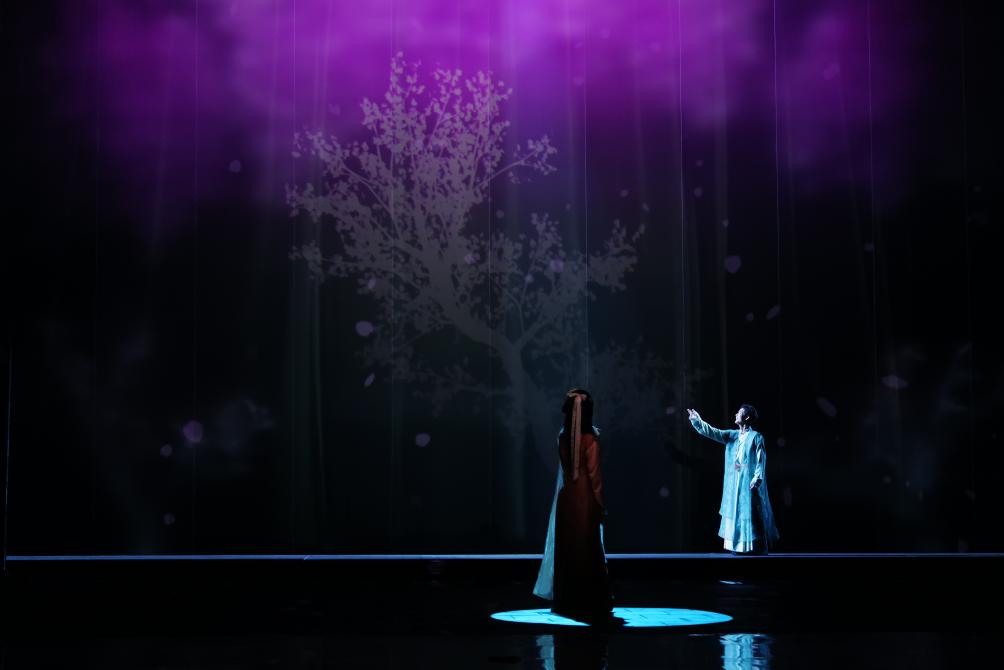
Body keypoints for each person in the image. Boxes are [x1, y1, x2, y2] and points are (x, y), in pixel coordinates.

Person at [533, 389, 613, 621]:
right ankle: (590, 600)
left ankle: (568, 600)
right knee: (588, 549)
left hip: (567, 497)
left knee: (569, 549)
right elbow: (595, 477)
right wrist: (600, 503)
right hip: (585, 499)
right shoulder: (591, 439)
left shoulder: (562, 438)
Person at [686, 405, 779, 554]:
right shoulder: (732, 435)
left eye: (739, 412)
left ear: (746, 417)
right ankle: (737, 546)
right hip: (734, 481)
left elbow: (761, 460)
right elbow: (713, 432)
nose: (735, 414)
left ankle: (755, 546)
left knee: (750, 513)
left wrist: (757, 478)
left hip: (748, 481)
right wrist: (698, 421)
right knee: (735, 511)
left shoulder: (756, 437)